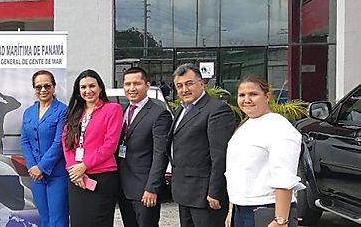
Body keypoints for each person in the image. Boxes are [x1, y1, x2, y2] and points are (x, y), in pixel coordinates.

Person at [225, 74, 303, 227]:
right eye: (242, 95)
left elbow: (284, 176)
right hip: (241, 210)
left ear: (267, 96)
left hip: (267, 209)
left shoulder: (279, 127)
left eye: (253, 94)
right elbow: (236, 172)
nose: (246, 100)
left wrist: (280, 220)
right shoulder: (245, 125)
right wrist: (231, 210)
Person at [170, 63, 237, 227]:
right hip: (184, 192)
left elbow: (220, 155)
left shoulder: (217, 110)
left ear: (201, 83)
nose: (184, 89)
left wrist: (215, 191)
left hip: (204, 194)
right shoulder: (182, 110)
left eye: (189, 83)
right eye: (179, 86)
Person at [62, 69, 123, 227]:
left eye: (92, 86)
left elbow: (110, 145)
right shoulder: (75, 112)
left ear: (100, 87)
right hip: (76, 179)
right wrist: (73, 169)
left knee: (99, 222)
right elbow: (66, 142)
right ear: (78, 90)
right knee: (78, 222)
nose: (88, 91)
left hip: (101, 177)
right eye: (83, 87)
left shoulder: (112, 109)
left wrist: (84, 166)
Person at [116, 67, 172, 227]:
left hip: (144, 190)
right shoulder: (122, 111)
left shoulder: (159, 114)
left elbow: (160, 154)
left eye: (137, 83)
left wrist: (152, 188)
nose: (131, 88)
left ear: (147, 85)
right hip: (123, 188)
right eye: (127, 84)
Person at [20, 70, 68, 227]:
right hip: (36, 176)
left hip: (57, 174)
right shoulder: (28, 112)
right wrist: (32, 166)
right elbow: (25, 141)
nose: (43, 90)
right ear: (34, 89)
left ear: (54, 87)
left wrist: (41, 167)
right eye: (38, 86)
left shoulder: (62, 110)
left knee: (58, 220)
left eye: (47, 86)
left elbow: (59, 142)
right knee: (44, 219)